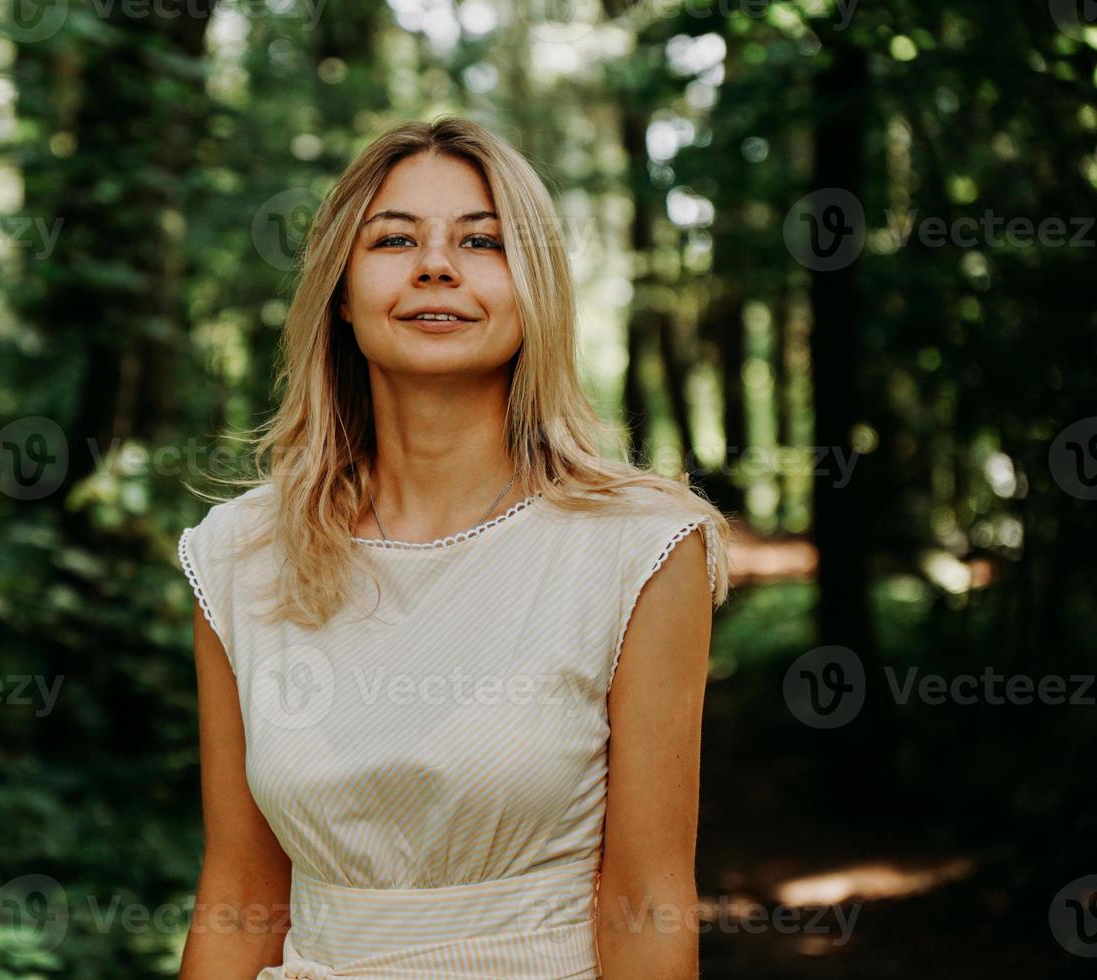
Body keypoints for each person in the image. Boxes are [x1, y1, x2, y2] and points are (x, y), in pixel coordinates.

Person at [176, 116, 730, 980]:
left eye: (484, 241)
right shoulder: (241, 553)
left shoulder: (641, 547)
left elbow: (647, 904)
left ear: (534, 289)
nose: (436, 265)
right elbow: (239, 894)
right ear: (341, 293)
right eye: (394, 239)